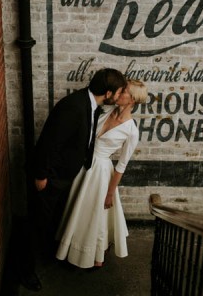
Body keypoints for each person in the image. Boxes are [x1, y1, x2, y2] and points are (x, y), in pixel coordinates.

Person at [20, 68, 127, 290]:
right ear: (107, 93)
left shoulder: (93, 106)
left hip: (67, 176)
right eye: (117, 93)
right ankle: (25, 271)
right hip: (50, 177)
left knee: (52, 219)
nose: (118, 98)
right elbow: (50, 142)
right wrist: (41, 176)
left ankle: (48, 253)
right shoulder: (74, 107)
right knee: (36, 223)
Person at [55, 79, 148, 269]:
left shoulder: (131, 131)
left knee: (95, 215)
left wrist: (110, 193)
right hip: (82, 166)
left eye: (124, 92)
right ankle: (69, 247)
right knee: (76, 208)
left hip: (101, 172)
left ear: (133, 100)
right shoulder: (104, 111)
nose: (118, 93)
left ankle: (94, 253)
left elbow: (122, 165)